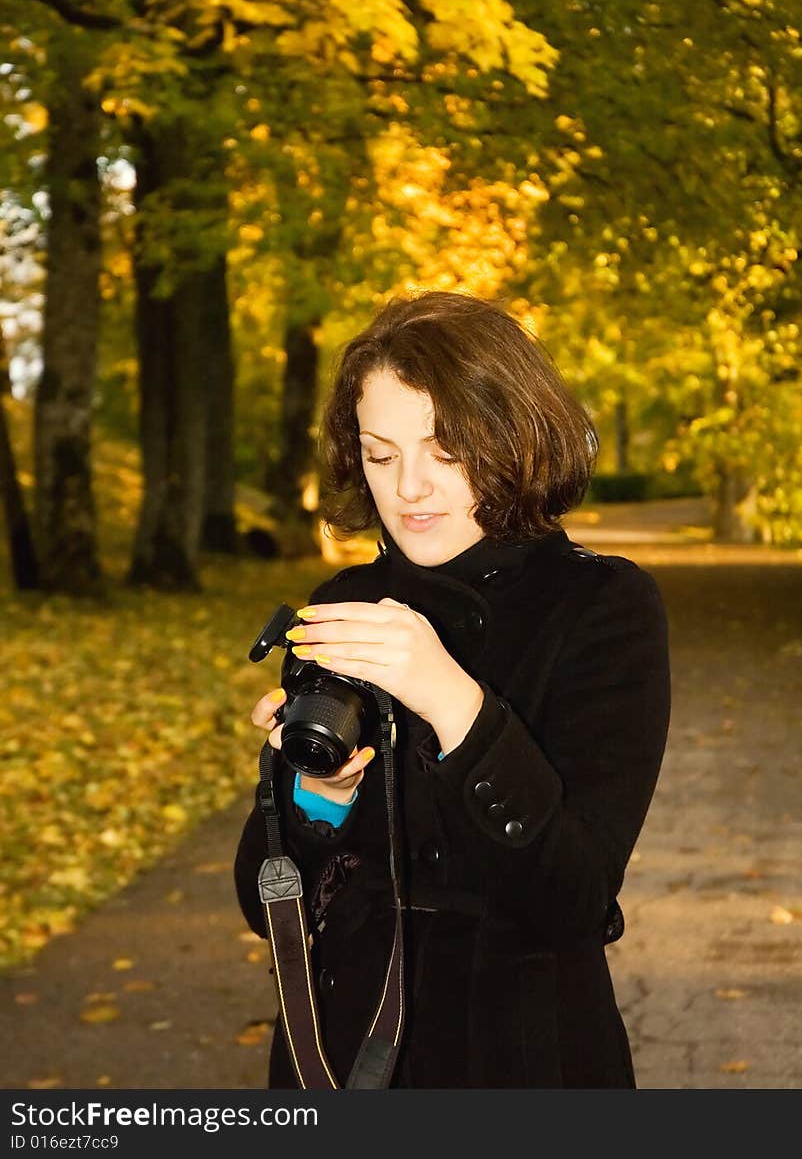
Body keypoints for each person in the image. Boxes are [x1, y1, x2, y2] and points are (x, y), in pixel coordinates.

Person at [234, 289, 671, 1089]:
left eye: (445, 449)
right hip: (340, 1051)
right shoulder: (342, 602)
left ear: (513, 438)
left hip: (521, 1057)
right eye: (381, 452)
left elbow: (573, 900)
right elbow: (266, 906)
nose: (410, 488)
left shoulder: (603, 606)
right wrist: (320, 794)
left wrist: (452, 700)